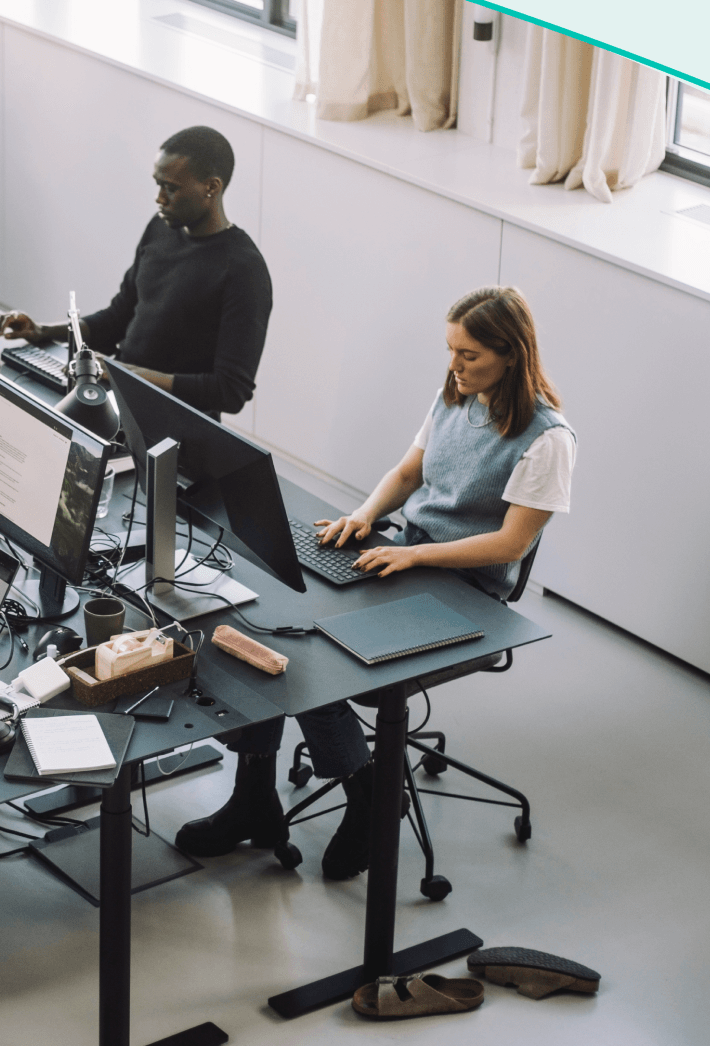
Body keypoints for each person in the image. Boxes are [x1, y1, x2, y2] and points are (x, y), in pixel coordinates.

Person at [175, 286, 575, 880]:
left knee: (317, 662)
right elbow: (410, 471)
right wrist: (364, 516)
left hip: (465, 595)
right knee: (267, 628)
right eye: (450, 350)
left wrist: (417, 558)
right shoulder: (456, 396)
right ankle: (253, 795)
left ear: (511, 354)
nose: (454, 366)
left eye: (469, 355)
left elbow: (510, 544)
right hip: (403, 559)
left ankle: (368, 796)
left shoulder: (548, 440)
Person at [0, 125, 271, 416]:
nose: (159, 199)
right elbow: (119, 317)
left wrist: (121, 372)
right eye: (158, 184)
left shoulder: (244, 270)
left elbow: (229, 391)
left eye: (171, 188)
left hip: (171, 427)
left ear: (211, 187)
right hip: (118, 399)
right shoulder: (160, 228)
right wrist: (42, 331)